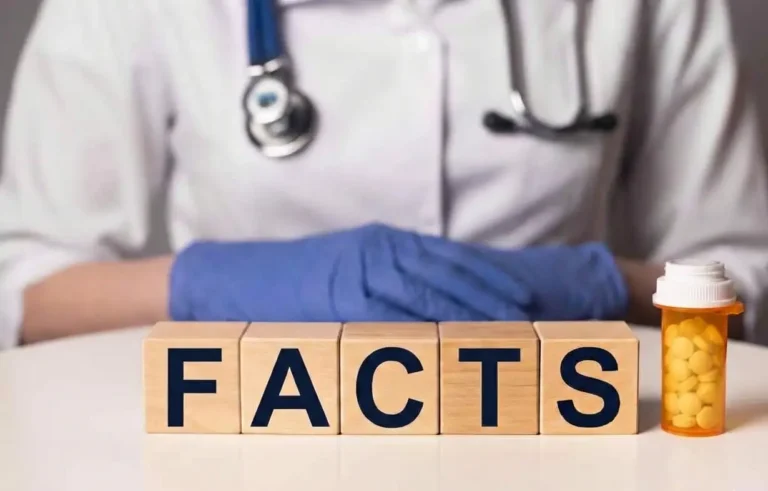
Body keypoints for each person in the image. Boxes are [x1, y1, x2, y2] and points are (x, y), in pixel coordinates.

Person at [1, 0, 767, 350]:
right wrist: (208, 284)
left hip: (562, 433)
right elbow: (24, 285)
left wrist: (602, 284)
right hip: (246, 441)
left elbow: (746, 279)